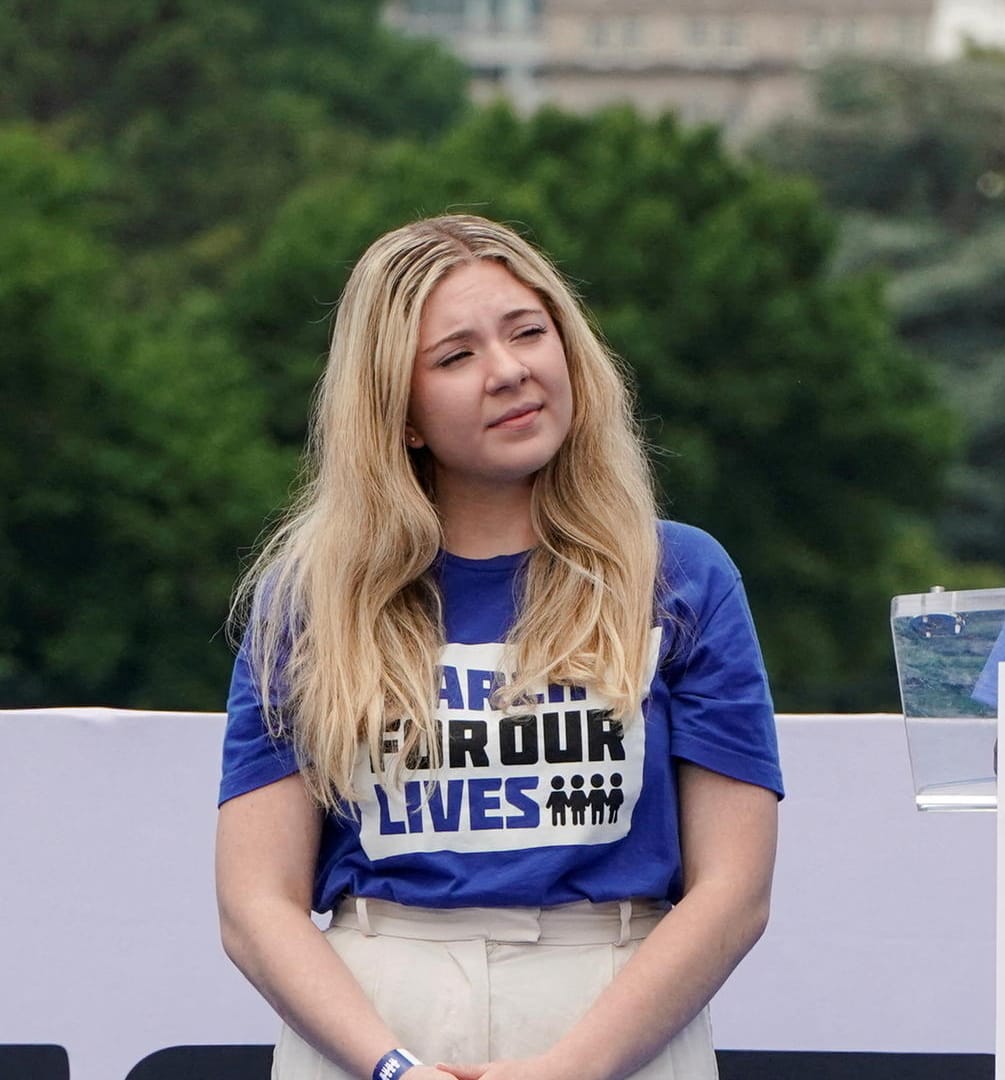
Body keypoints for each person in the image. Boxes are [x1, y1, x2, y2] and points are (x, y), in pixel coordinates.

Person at [216, 214, 782, 1080]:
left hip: (614, 1017)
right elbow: (256, 903)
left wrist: (573, 1067)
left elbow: (735, 891)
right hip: (372, 1022)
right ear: (398, 414)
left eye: (528, 332)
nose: (510, 371)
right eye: (456, 357)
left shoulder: (681, 574)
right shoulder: (310, 597)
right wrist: (391, 1068)